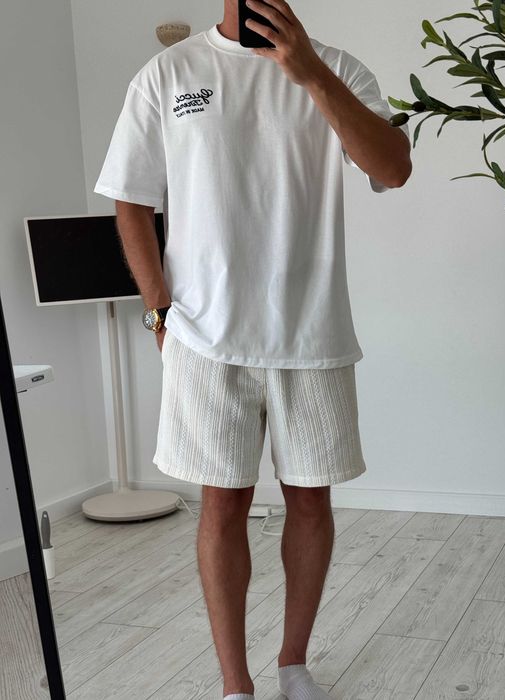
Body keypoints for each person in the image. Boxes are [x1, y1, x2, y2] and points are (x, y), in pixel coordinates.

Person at [94, 1, 412, 697]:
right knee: (222, 507)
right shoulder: (169, 73)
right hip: (207, 338)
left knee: (310, 503)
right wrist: (158, 310)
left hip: (312, 333)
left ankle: (293, 664)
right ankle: (235, 685)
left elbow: (392, 168)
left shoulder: (339, 68)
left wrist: (311, 74)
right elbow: (130, 198)